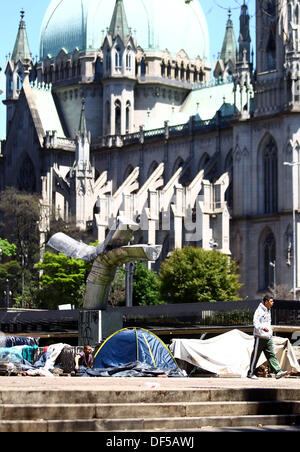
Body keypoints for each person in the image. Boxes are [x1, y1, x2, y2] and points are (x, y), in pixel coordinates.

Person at [247, 295, 288, 380]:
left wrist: (269, 332)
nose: (273, 303)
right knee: (256, 355)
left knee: (271, 355)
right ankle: (250, 373)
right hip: (260, 336)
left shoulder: (268, 310)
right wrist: (262, 328)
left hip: (268, 337)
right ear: (266, 302)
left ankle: (278, 372)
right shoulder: (259, 311)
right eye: (271, 301)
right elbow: (255, 322)